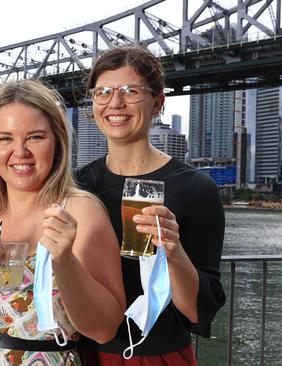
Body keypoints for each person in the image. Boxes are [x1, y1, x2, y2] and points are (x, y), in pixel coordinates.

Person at [0, 80, 126, 365]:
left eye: (35, 137)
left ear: (57, 141)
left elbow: (104, 329)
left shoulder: (81, 212)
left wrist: (66, 262)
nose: (20, 152)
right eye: (5, 138)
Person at [75, 45, 226, 365]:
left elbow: (198, 312)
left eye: (130, 91)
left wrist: (173, 251)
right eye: (103, 92)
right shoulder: (76, 185)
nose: (115, 103)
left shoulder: (197, 188)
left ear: (158, 102)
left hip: (158, 356)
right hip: (79, 352)